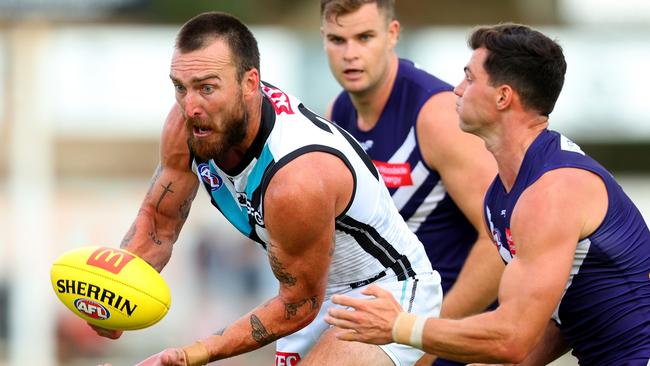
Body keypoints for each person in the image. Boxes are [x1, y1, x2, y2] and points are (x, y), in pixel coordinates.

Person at [93, 11, 443, 366]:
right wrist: (113, 296)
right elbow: (158, 223)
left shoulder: (296, 177)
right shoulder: (188, 125)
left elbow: (297, 304)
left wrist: (190, 355)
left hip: (384, 291)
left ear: (249, 83)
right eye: (180, 87)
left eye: (207, 87)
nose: (190, 106)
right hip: (310, 294)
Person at [324, 23, 650, 365]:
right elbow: (559, 323)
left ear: (503, 96)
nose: (456, 89)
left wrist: (399, 327)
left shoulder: (551, 191)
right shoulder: (503, 191)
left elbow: (510, 337)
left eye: (469, 78)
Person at [320, 1, 504, 364]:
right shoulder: (337, 113)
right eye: (337, 40)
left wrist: (428, 340)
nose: (351, 54)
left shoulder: (436, 116)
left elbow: (501, 241)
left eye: (364, 37)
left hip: (453, 329)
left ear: (392, 34)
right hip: (386, 322)